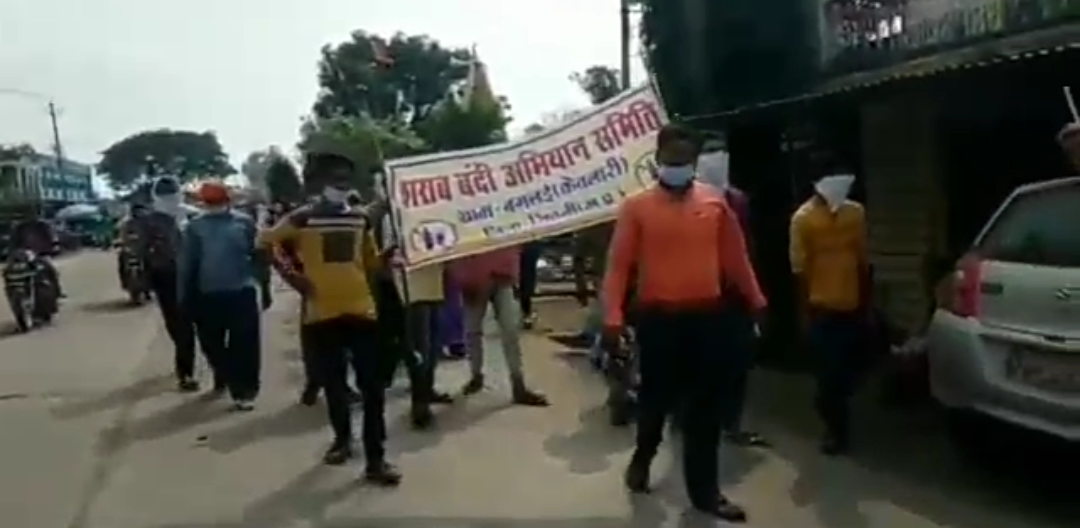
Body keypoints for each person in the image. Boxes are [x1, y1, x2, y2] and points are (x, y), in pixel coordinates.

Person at [602, 123, 766, 522]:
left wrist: (757, 299)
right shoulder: (637, 207)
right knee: (656, 401)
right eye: (670, 159)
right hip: (659, 320)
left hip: (707, 318)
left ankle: (706, 493)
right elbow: (619, 268)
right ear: (658, 160)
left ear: (693, 162)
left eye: (684, 160)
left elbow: (735, 258)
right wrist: (612, 317)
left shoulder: (715, 204)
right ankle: (643, 456)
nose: (677, 166)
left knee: (705, 411)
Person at [257, 148, 400, 485]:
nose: (340, 183)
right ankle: (342, 442)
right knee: (335, 385)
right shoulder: (301, 218)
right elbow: (266, 241)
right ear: (319, 182)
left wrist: (390, 256)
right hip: (321, 312)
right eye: (334, 178)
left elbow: (369, 264)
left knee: (373, 388)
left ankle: (376, 460)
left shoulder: (360, 218)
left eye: (344, 178)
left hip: (362, 308)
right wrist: (291, 275)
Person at [790, 173, 869, 456]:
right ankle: (834, 429)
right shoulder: (803, 220)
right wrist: (803, 314)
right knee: (827, 378)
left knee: (845, 375)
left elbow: (863, 261)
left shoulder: (855, 214)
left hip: (852, 305)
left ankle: (841, 427)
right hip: (821, 307)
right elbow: (799, 271)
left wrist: (867, 303)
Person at [697, 149, 769, 448]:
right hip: (699, 293)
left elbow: (746, 250)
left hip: (733, 294)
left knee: (737, 362)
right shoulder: (690, 201)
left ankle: (732, 422)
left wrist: (753, 296)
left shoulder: (738, 201)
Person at [178, 181, 271, 411]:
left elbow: (259, 256)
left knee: (246, 345)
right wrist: (184, 297)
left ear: (227, 201)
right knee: (212, 345)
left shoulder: (244, 223)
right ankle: (225, 375)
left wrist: (265, 287)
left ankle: (245, 391)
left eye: (217, 201)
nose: (214, 206)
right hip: (207, 294)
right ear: (203, 203)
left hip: (241, 291)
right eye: (210, 202)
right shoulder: (194, 227)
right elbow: (187, 264)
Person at [131, 177, 214, 392]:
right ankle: (186, 373)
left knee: (206, 325)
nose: (170, 199)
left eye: (172, 194)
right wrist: (144, 275)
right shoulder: (147, 222)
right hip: (166, 277)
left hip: (198, 276)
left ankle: (218, 371)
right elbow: (139, 250)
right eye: (165, 195)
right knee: (180, 327)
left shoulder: (194, 216)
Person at [449, 246, 549, 406]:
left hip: (493, 273)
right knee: (475, 331)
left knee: (507, 331)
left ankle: (515, 384)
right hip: (478, 274)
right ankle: (480, 376)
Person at [518, 241, 541, 329]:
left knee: (525, 279)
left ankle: (526, 314)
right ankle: (526, 314)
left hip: (520, 244)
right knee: (527, 278)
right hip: (529, 243)